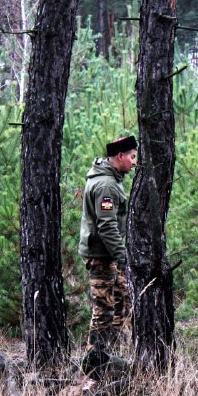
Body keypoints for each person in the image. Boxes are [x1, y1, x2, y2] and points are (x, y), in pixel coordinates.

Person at [78, 135, 137, 354]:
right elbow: (107, 227)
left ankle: (115, 352)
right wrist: (123, 258)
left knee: (123, 297)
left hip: (106, 253)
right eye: (131, 157)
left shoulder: (110, 179)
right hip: (101, 255)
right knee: (104, 308)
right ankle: (95, 361)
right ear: (119, 156)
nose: (134, 162)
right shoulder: (106, 185)